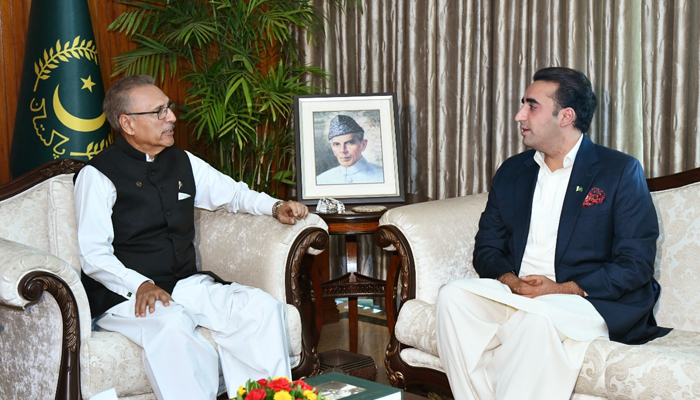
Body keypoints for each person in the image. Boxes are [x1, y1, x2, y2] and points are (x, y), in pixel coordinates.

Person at [435, 67, 671, 400]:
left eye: (532, 106)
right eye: (523, 105)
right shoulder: (513, 171)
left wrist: (563, 289)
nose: (520, 115)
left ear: (566, 116)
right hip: (522, 293)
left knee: (536, 322)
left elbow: (636, 264)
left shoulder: (618, 170)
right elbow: (487, 247)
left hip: (591, 300)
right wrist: (511, 282)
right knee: (454, 296)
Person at [74, 75, 309, 400]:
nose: (171, 117)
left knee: (259, 308)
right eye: (159, 112)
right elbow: (93, 255)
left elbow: (233, 194)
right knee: (171, 325)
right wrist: (139, 284)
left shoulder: (183, 161)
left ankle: (265, 397)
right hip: (126, 299)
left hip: (184, 283)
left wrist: (275, 206)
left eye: (168, 108)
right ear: (127, 123)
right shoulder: (97, 175)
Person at [316, 114, 383, 184]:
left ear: (363, 145)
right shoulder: (321, 180)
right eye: (337, 144)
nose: (342, 150)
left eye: (349, 143)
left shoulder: (382, 176)